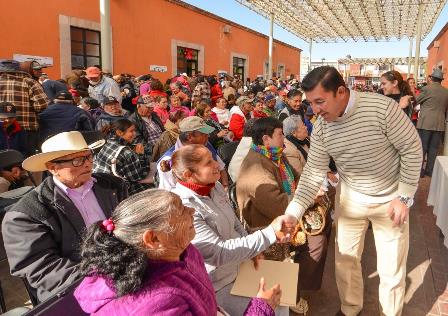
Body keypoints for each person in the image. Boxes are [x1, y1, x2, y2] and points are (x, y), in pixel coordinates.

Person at [282, 66, 422, 316]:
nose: (314, 110)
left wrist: (404, 196)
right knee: (345, 261)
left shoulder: (382, 109)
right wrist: (292, 213)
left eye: (320, 101)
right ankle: (350, 309)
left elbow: (411, 149)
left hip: (390, 200)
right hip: (351, 200)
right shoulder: (323, 127)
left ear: (341, 92)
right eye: (311, 103)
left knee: (391, 268)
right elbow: (313, 172)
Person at [74, 189, 281, 316]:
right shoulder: (156, 304)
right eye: (181, 210)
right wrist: (262, 307)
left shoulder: (184, 250)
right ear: (153, 239)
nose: (191, 212)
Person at [2, 131, 128, 302]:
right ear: (52, 167)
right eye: (77, 160)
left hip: (127, 270)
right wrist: (107, 276)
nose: (88, 164)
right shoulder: (25, 215)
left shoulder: (112, 185)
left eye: (89, 157)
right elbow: (43, 269)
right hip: (76, 292)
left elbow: (132, 224)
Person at [163, 145, 288, 315]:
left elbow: (235, 222)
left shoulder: (214, 187)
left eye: (213, 159)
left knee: (281, 300)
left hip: (241, 266)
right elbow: (218, 253)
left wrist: (252, 252)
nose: (217, 165)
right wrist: (269, 234)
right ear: (188, 175)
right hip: (220, 283)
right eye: (208, 163)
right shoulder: (184, 207)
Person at [157, 116, 228, 191]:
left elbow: (222, 168)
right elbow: (169, 193)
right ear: (189, 137)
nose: (208, 136)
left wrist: (225, 186)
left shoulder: (205, 144)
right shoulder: (169, 160)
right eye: (204, 134)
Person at [0, 60, 49, 157]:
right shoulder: (30, 82)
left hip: (2, 127)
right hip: (27, 127)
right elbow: (42, 105)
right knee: (26, 159)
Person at [94, 119, 151, 195]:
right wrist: (141, 155)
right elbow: (139, 176)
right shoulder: (126, 152)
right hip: (122, 191)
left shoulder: (107, 142)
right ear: (119, 132)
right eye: (131, 131)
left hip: (105, 188)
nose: (135, 134)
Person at [416, 68, 448, 177]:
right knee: (434, 148)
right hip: (439, 124)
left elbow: (416, 100)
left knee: (423, 147)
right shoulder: (446, 92)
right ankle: (430, 171)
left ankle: (420, 171)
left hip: (426, 123)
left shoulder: (426, 89)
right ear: (441, 80)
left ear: (432, 78)